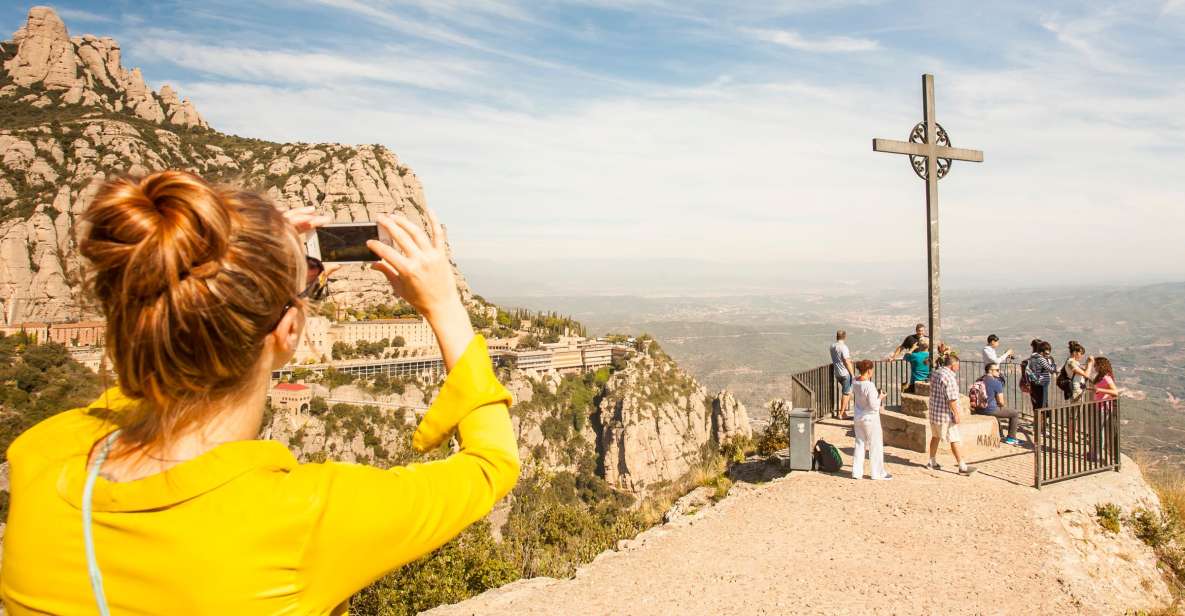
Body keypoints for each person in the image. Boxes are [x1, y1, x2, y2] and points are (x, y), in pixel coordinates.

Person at [0, 171, 521, 614]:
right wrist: (445, 307)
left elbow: (148, 374)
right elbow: (491, 464)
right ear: (288, 330)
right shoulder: (306, 517)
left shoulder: (42, 455)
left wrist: (237, 267)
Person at [927, 352, 977, 476]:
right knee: (954, 439)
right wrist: (956, 413)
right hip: (945, 414)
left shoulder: (936, 372)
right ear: (952, 364)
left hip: (934, 412)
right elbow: (952, 398)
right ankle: (962, 467)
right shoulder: (949, 377)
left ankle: (932, 461)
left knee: (935, 436)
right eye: (957, 365)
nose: (958, 367)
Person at [851, 360, 891, 480]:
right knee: (875, 445)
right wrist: (880, 397)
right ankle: (877, 473)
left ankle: (856, 472)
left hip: (858, 416)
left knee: (859, 444)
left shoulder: (855, 381)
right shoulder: (869, 385)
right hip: (870, 418)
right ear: (869, 370)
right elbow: (874, 406)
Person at [973, 363, 1021, 445]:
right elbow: (1001, 402)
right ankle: (1011, 438)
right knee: (1015, 413)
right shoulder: (996, 383)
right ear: (990, 371)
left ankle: (1000, 433)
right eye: (997, 370)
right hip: (989, 410)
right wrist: (1001, 406)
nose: (999, 372)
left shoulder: (979, 380)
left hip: (978, 408)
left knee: (998, 410)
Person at [831, 330, 856, 420]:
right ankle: (841, 414)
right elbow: (846, 361)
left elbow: (839, 358)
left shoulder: (832, 346)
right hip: (845, 373)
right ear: (845, 337)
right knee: (846, 393)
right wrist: (852, 374)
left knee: (847, 392)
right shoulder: (844, 347)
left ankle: (844, 412)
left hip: (837, 373)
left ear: (837, 336)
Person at [1026, 339, 1057, 409]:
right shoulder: (1041, 359)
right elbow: (1052, 370)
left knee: (1037, 402)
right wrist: (1054, 363)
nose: (1048, 355)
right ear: (1041, 352)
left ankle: (1038, 418)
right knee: (1043, 402)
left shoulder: (1033, 357)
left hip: (1035, 381)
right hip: (1042, 382)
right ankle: (1042, 418)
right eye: (1046, 353)